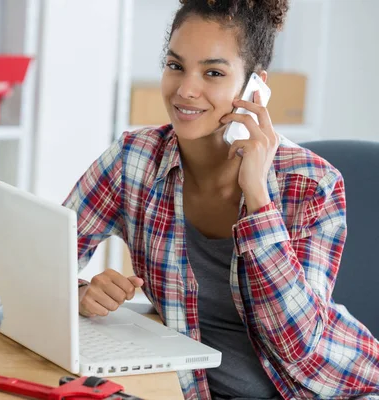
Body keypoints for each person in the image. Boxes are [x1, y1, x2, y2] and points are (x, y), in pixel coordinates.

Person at [62, 0, 379, 399]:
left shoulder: (312, 183)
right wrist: (80, 294)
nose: (186, 90)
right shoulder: (133, 160)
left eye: (213, 72)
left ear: (255, 87)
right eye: (176, 65)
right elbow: (43, 264)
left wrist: (258, 198)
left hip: (327, 389)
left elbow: (300, 347)